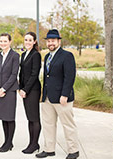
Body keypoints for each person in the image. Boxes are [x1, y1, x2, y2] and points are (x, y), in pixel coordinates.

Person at [36, 29, 80, 159]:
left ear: (58, 41)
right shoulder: (47, 56)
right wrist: (43, 96)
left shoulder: (67, 56)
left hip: (62, 98)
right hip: (48, 97)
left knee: (68, 124)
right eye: (49, 41)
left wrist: (65, 94)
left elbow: (70, 77)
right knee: (48, 124)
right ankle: (49, 149)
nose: (50, 43)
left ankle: (73, 151)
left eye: (53, 41)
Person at [0, 33, 21, 152]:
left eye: (5, 41)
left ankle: (9, 143)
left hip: (9, 91)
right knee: (3, 117)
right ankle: (6, 141)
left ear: (10, 42)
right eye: (1, 41)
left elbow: (14, 75)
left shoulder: (15, 55)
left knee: (9, 117)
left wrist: (3, 89)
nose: (3, 43)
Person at [18, 32, 44, 154]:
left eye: (30, 40)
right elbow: (22, 73)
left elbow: (34, 74)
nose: (27, 42)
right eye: (26, 40)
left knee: (34, 118)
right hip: (24, 90)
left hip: (33, 90)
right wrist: (20, 87)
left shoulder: (36, 55)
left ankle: (35, 144)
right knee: (29, 118)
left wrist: (25, 89)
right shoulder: (23, 54)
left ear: (34, 42)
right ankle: (31, 143)